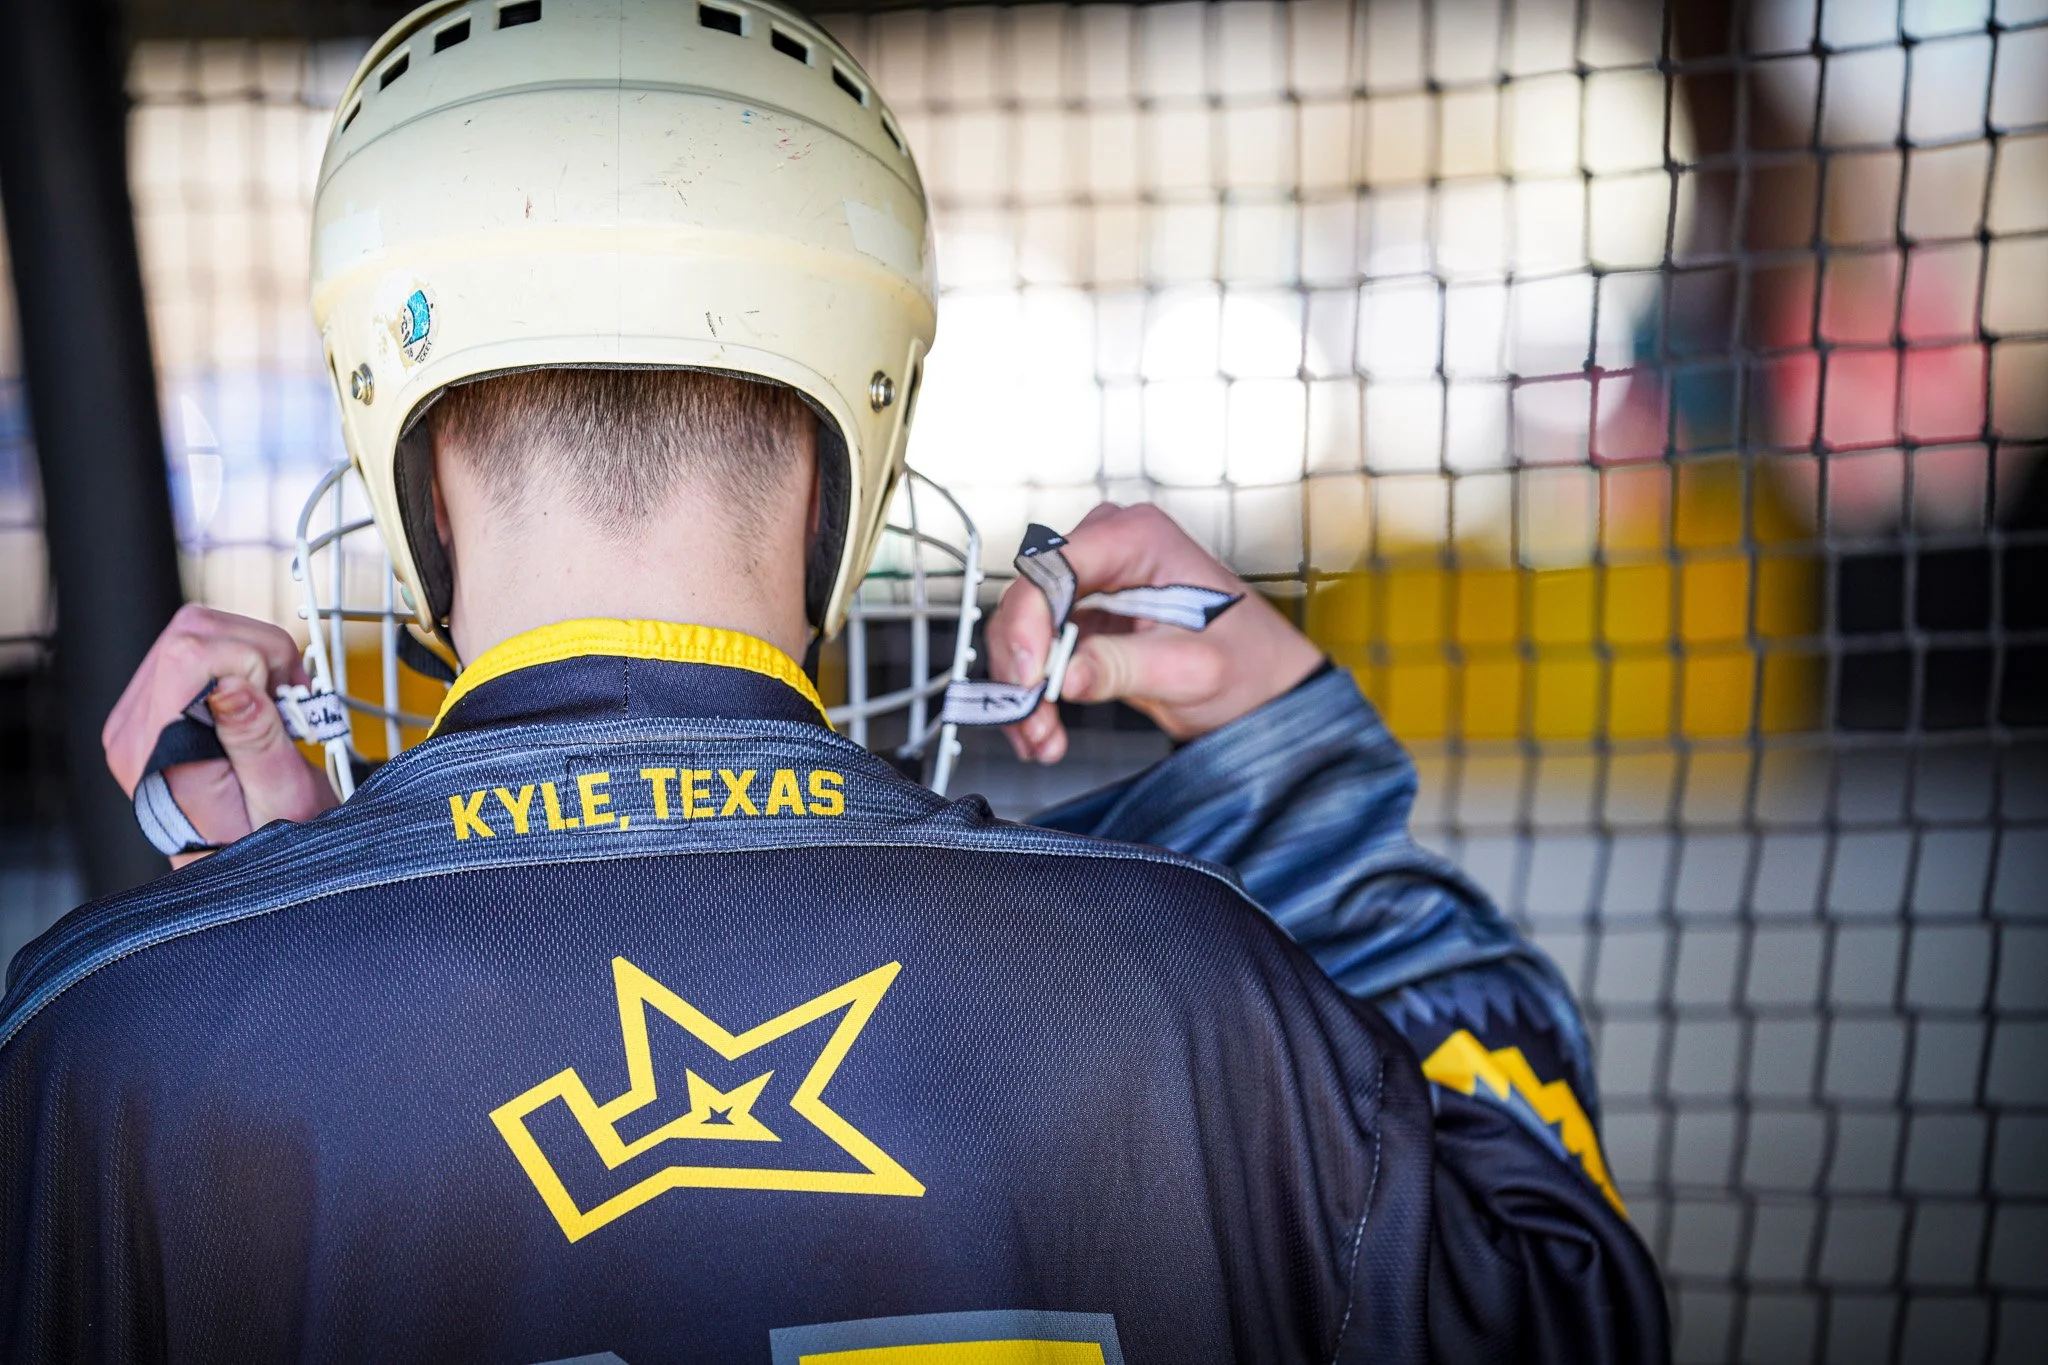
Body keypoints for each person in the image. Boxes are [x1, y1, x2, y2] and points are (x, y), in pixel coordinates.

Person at [0, 2, 1666, 1360]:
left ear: (408, 470)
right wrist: (1298, 786)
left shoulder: (108, 1047)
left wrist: (248, 929)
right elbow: (1567, 1309)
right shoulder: (1194, 980)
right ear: (849, 460)